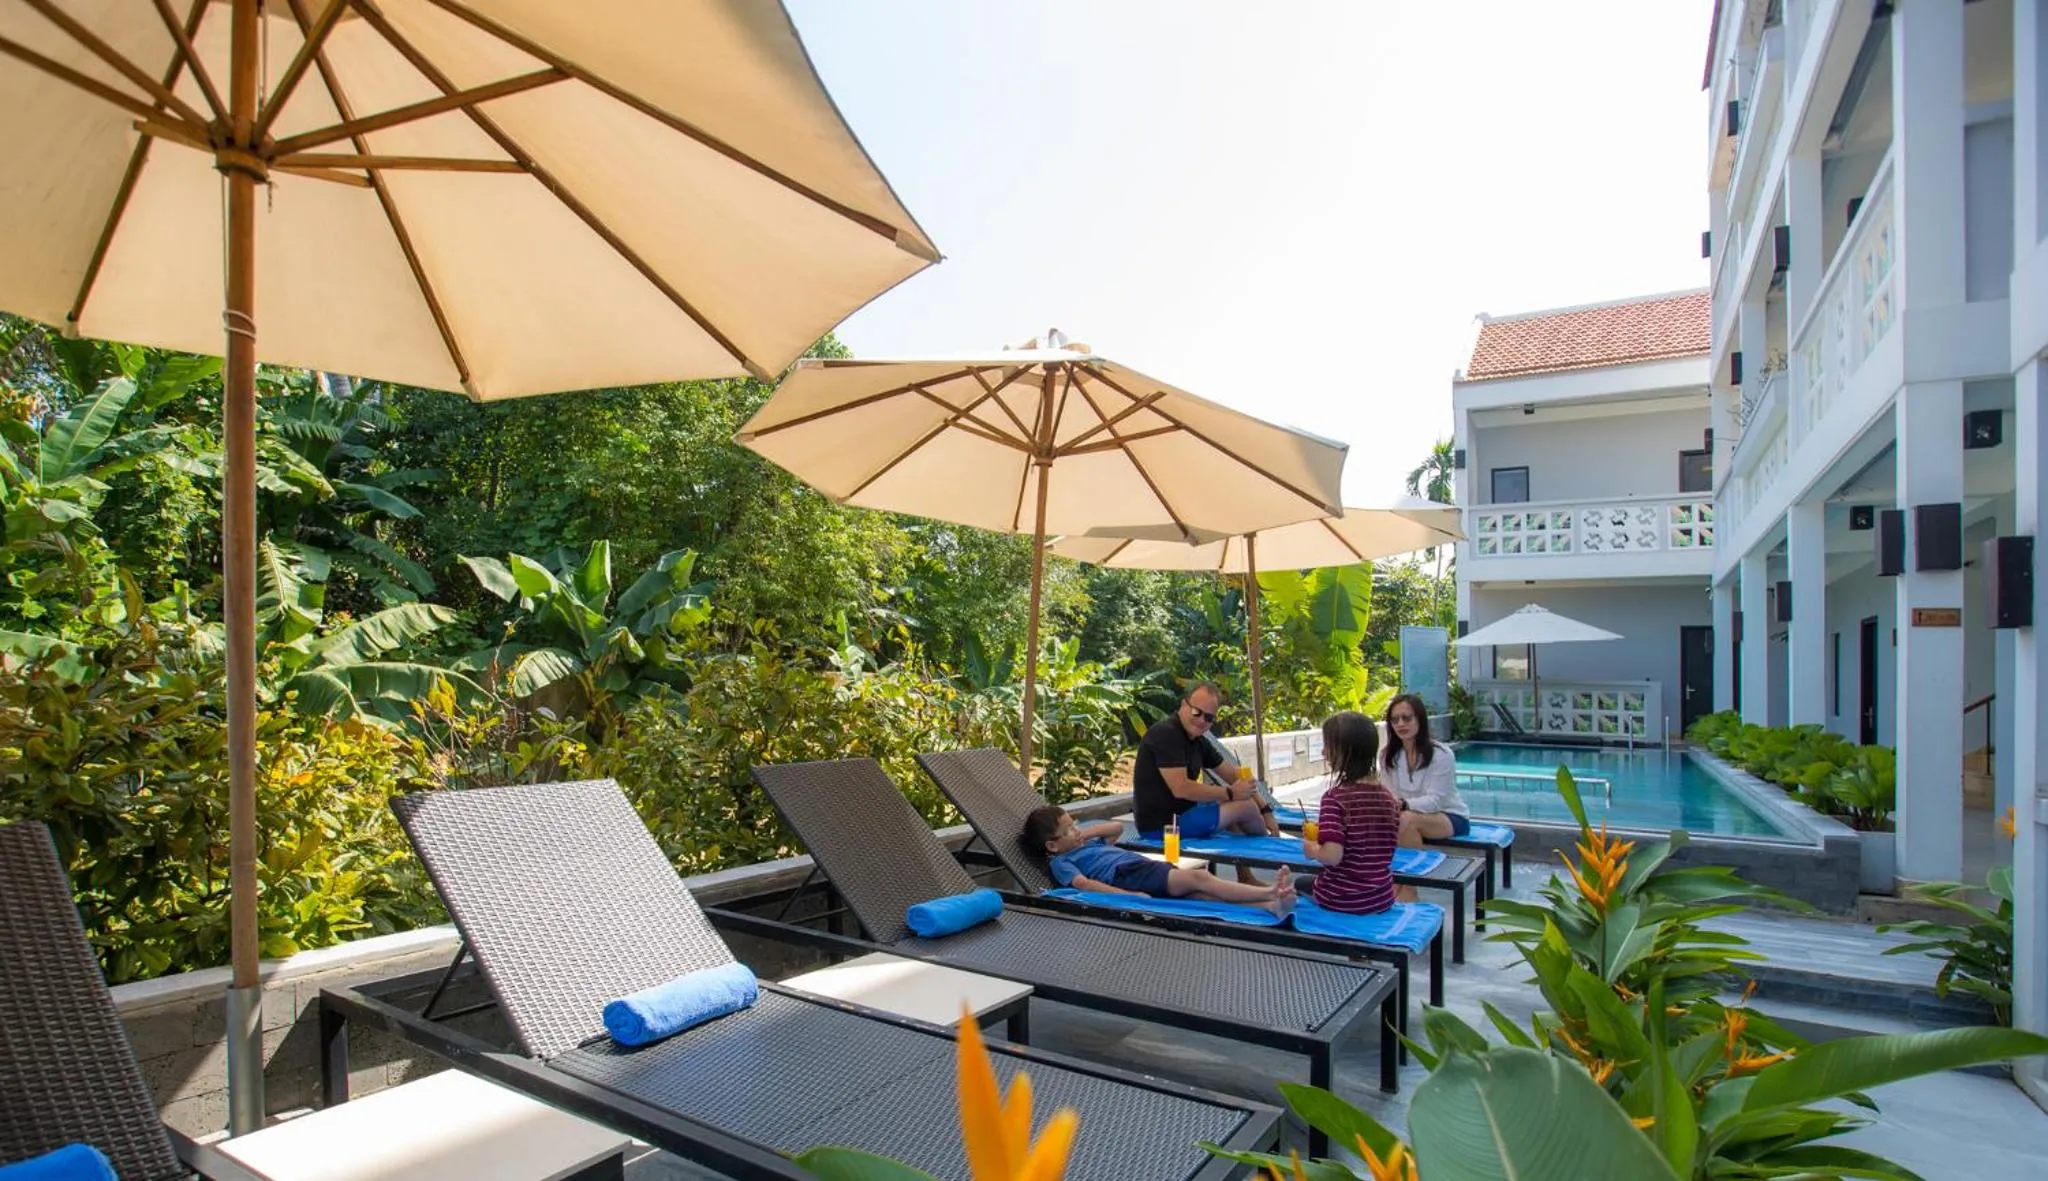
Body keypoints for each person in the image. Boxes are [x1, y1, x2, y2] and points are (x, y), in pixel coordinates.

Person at [1021, 806, 1296, 917]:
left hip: (1138, 869)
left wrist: (1082, 834)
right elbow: (1085, 884)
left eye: (1075, 824)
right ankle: (1270, 891)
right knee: (1200, 878)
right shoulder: (1061, 862)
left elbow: (1115, 828)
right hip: (1128, 874)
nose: (1077, 830)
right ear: (1052, 845)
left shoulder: (1086, 843)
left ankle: (1268, 906)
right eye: (1069, 830)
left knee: (1196, 894)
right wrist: (1128, 896)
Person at [1130, 682, 1276, 839]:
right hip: (1162, 826)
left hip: (1185, 814)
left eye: (1208, 717)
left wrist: (1265, 810)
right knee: (1246, 808)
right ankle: (1273, 850)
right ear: (1183, 705)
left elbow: (1233, 775)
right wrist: (1230, 793)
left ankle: (1250, 859)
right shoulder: (1166, 734)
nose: (1201, 720)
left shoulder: (1198, 740)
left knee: (1237, 815)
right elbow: (1181, 788)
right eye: (1196, 712)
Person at [1299, 711, 1400, 915]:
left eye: (1327, 746)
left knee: (1299, 883)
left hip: (1343, 899)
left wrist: (1312, 849)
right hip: (1382, 897)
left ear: (1345, 751)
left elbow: (1332, 856)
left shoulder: (1334, 799)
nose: (1323, 753)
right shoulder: (1389, 798)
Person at [1382, 693, 1474, 858]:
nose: (1401, 724)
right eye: (1395, 720)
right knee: (1395, 822)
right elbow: (1390, 794)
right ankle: (1404, 880)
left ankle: (1411, 880)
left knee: (1405, 820)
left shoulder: (1441, 754)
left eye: (1407, 718)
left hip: (1449, 815)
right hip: (1404, 816)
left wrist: (1403, 805)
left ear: (1420, 719)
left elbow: (1435, 801)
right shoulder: (1387, 756)